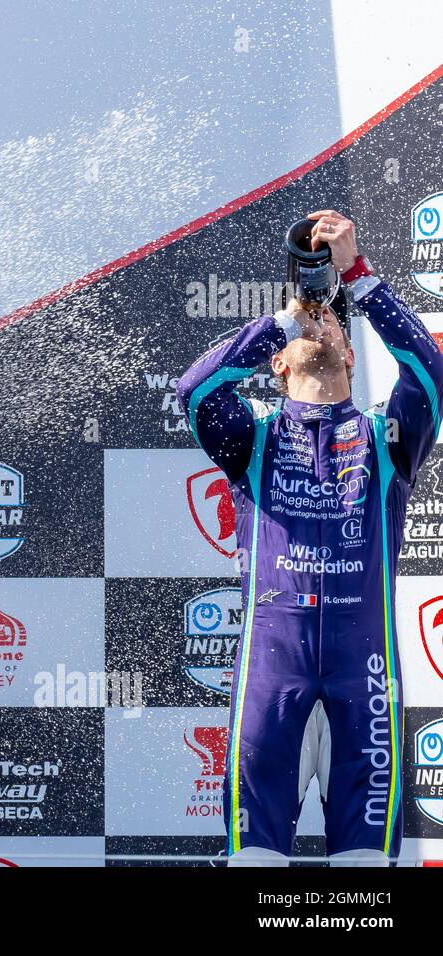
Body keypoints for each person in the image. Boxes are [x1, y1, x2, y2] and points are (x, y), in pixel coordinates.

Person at [177, 210, 443, 865]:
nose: (323, 320)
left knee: (364, 874)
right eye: (307, 323)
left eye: (333, 319)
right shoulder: (253, 441)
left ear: (352, 355)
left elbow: (432, 374)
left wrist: (359, 275)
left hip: (368, 684)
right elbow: (194, 391)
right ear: (278, 363)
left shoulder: (388, 440)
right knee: (257, 864)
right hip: (272, 680)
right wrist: (284, 317)